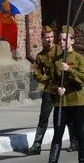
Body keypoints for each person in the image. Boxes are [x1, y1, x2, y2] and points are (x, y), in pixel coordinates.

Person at [38, 26, 84, 163]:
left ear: (72, 40)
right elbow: (52, 80)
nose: (62, 42)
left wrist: (70, 70)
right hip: (61, 102)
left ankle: (82, 162)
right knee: (58, 133)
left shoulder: (79, 58)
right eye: (60, 39)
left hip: (77, 102)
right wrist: (57, 89)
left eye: (65, 39)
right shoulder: (56, 60)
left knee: (79, 132)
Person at [27, 24, 74, 156]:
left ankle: (74, 141)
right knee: (43, 118)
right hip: (49, 89)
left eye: (52, 37)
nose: (50, 40)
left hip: (61, 88)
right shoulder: (41, 56)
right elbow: (36, 72)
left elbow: (69, 63)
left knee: (67, 116)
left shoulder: (60, 51)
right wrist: (45, 79)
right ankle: (37, 145)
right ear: (42, 38)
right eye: (47, 37)